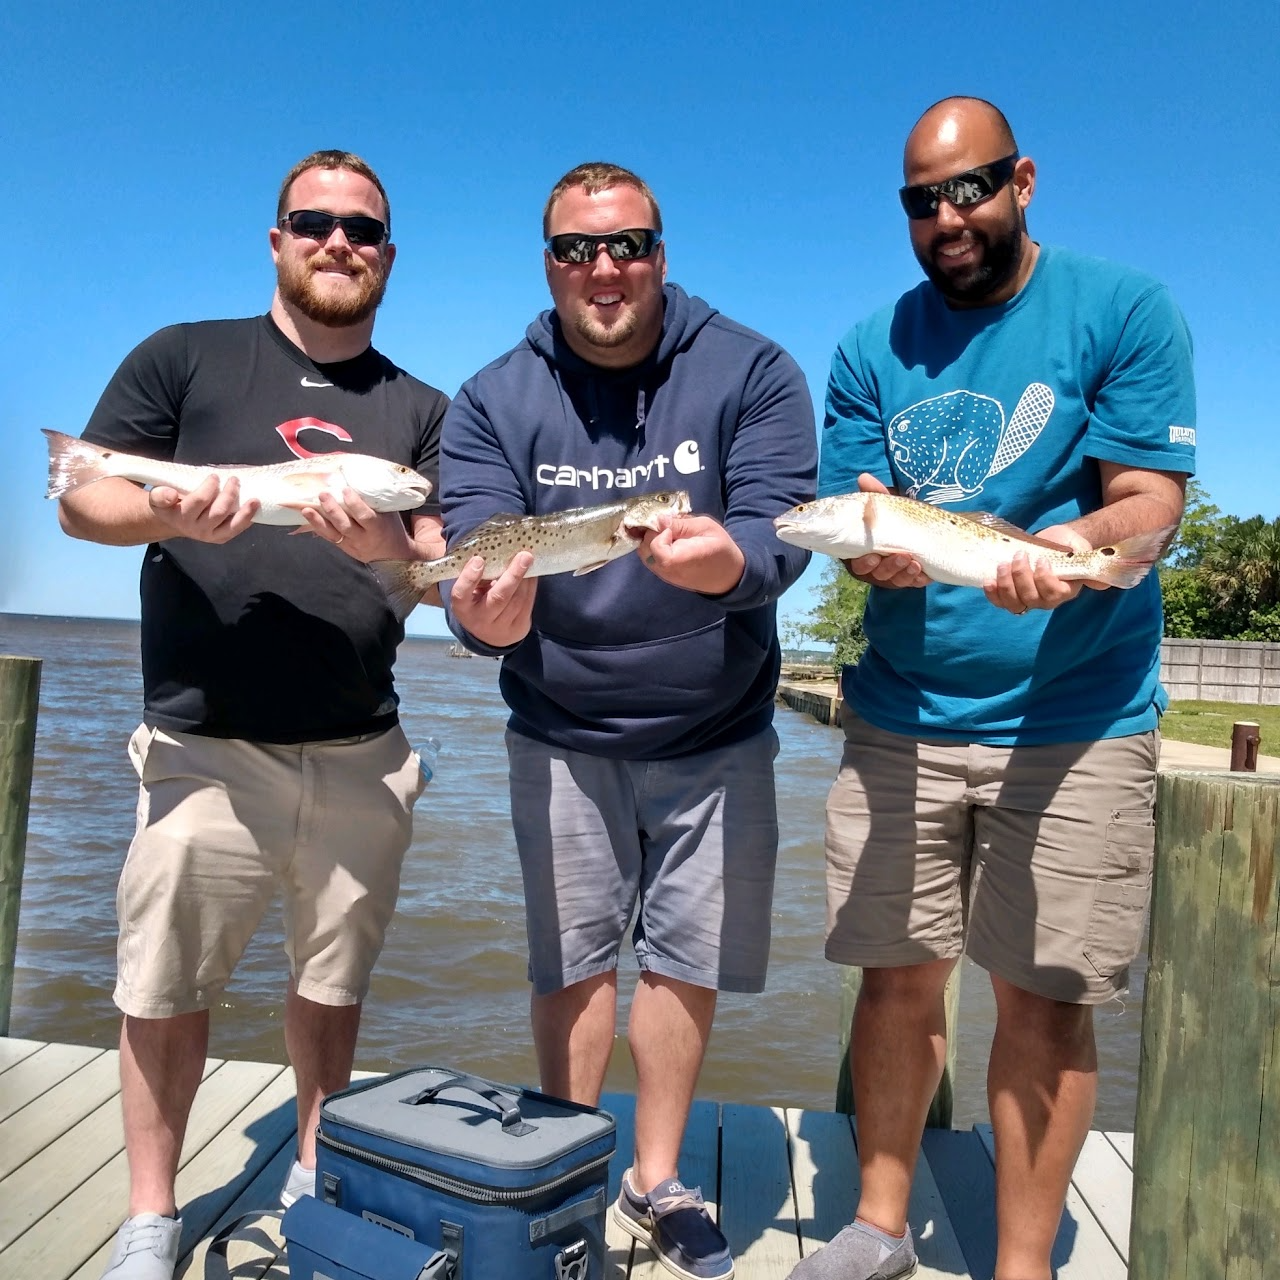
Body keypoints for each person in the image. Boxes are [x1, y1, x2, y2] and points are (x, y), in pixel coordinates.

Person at [789, 98, 1196, 1280]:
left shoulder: (1121, 308)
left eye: (966, 187)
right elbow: (856, 511)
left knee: (1044, 999)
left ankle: (1020, 1264)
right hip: (900, 714)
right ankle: (876, 1226)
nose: (946, 216)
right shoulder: (868, 346)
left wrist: (1076, 547)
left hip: (1076, 717)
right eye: (920, 200)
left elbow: (1149, 501)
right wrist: (866, 549)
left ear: (1020, 179)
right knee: (892, 979)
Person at [57, 150, 449, 1280]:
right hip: (203, 745)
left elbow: (438, 560)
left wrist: (390, 547)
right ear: (277, 239)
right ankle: (150, 1213)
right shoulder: (184, 355)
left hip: (362, 746)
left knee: (334, 984)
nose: (338, 242)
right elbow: (83, 495)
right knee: (162, 985)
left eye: (361, 229)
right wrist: (177, 515)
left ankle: (314, 1171)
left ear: (386, 255)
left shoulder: (421, 407)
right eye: (314, 222)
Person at [438, 162, 816, 1280]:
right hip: (560, 729)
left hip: (719, 730)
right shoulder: (491, 397)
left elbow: (779, 527)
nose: (602, 268)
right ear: (547, 262)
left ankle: (658, 1176)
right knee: (569, 963)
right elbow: (473, 553)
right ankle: (567, 1177)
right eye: (576, 248)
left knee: (685, 962)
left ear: (659, 252)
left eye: (627, 244)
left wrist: (731, 562)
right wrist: (482, 619)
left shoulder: (752, 367)